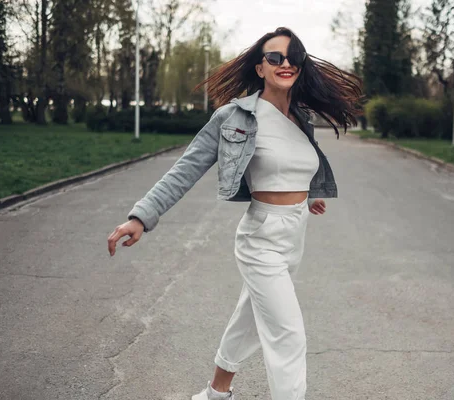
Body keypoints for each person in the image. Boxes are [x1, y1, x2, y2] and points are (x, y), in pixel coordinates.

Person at [107, 27, 363, 400]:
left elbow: (289, 167)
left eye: (293, 57)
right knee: (288, 335)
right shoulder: (237, 116)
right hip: (260, 239)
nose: (285, 63)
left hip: (295, 237)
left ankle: (215, 393)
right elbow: (186, 168)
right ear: (260, 68)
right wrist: (141, 216)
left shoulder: (301, 119)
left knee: (249, 320)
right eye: (275, 57)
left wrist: (308, 196)